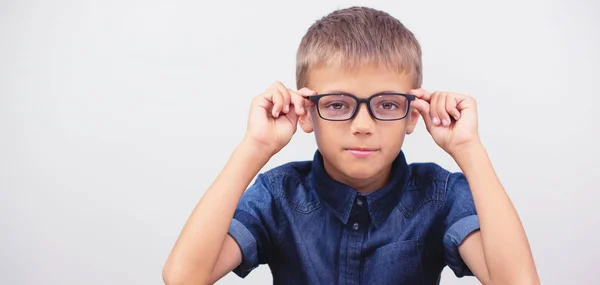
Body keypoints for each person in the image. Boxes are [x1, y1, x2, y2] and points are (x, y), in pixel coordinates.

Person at [162, 6, 539, 285]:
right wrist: (254, 147)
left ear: (412, 115)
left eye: (387, 104)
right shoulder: (279, 195)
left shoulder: (439, 195)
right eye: (338, 105)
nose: (362, 126)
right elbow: (183, 278)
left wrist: (470, 150)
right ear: (306, 112)